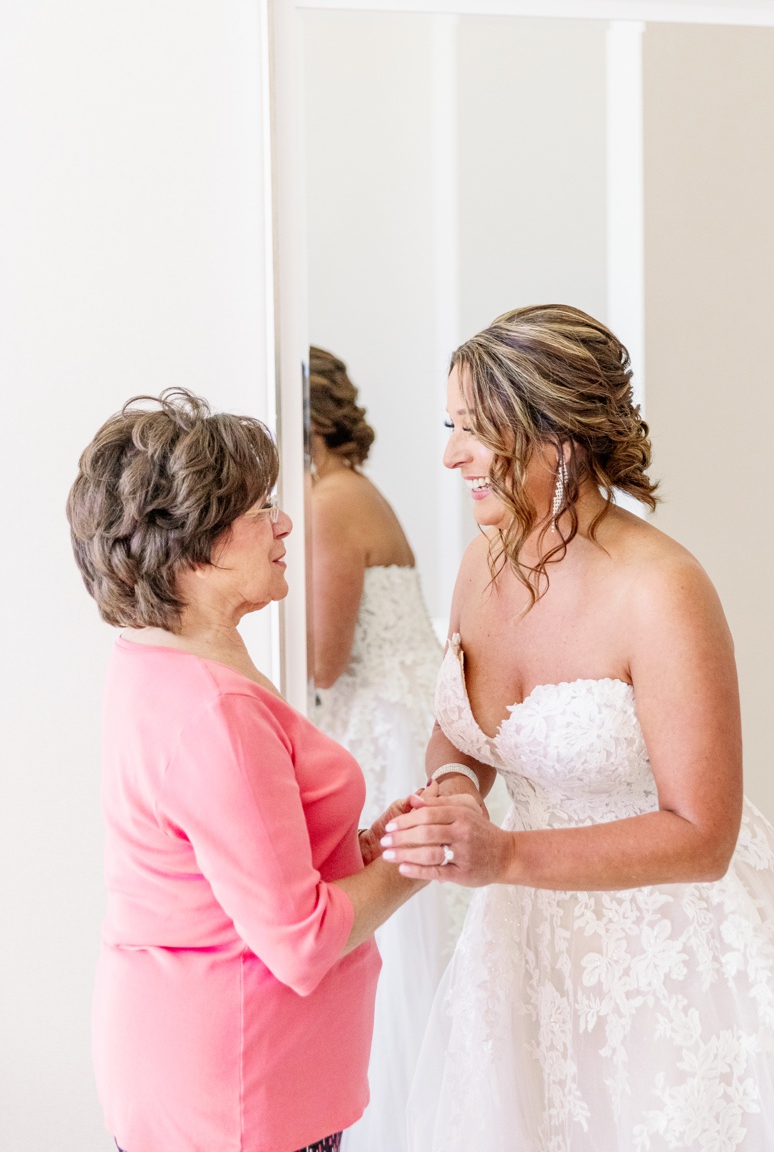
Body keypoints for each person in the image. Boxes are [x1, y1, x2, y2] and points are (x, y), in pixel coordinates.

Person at [377, 304, 774, 1151]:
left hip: (668, 955)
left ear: (558, 437)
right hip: (523, 938)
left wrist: (506, 853)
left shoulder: (661, 590)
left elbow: (703, 835)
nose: (450, 455)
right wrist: (454, 800)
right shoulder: (484, 559)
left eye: (476, 431)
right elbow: (465, 734)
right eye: (452, 427)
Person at [68, 389, 420, 1152]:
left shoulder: (156, 664)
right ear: (192, 545)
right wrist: (415, 862)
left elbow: (230, 871)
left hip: (202, 1073)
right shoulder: (215, 711)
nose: (286, 522)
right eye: (261, 507)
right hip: (237, 1096)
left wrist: (354, 850)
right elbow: (300, 941)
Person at [305, 346, 463, 1152]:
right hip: (388, 719)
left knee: (396, 952)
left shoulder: (332, 501)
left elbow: (323, 661)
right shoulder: (350, 491)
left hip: (388, 735)